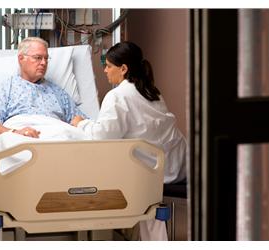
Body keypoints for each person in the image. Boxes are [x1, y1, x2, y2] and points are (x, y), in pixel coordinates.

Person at [71, 41, 187, 240]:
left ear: (123, 69)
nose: (105, 71)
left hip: (156, 175)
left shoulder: (117, 95)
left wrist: (81, 123)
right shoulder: (152, 91)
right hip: (179, 166)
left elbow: (101, 137)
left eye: (108, 66)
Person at [0, 36, 86, 138]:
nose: (43, 63)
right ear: (21, 59)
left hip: (55, 137)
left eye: (46, 58)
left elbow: (78, 121)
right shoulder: (6, 89)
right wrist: (15, 133)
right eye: (38, 57)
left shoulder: (58, 92)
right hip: (20, 137)